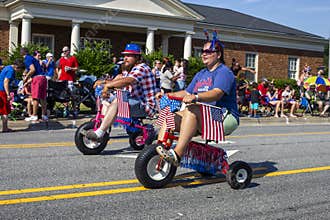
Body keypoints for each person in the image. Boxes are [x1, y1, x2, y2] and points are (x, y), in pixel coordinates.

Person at [155, 38, 239, 166]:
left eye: (208, 51)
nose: (204, 54)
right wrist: (168, 95)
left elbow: (217, 93)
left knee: (192, 109)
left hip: (224, 116)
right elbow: (187, 92)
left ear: (218, 54)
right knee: (170, 117)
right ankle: (159, 151)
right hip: (203, 114)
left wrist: (196, 97)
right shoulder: (201, 74)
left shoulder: (224, 72)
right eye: (203, 51)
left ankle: (177, 154)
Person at [86, 43, 158, 141]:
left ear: (137, 57)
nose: (125, 58)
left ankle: (99, 133)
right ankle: (104, 131)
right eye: (124, 55)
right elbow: (118, 81)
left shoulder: (142, 68)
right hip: (133, 101)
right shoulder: (130, 70)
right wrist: (103, 82)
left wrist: (108, 85)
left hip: (145, 106)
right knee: (106, 102)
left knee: (118, 100)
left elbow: (128, 81)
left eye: (129, 55)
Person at [21, 47, 48, 122]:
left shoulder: (27, 59)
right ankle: (44, 115)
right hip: (43, 78)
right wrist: (26, 73)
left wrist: (26, 78)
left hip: (37, 79)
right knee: (43, 97)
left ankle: (34, 115)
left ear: (22, 53)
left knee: (35, 97)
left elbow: (33, 69)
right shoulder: (32, 58)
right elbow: (30, 68)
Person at [0, 59, 24, 132]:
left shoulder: (7, 67)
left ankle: (5, 127)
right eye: (20, 69)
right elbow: (6, 82)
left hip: (2, 90)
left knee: (5, 110)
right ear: (16, 67)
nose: (19, 71)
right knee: (4, 111)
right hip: (2, 91)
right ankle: (4, 128)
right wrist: (8, 95)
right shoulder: (10, 71)